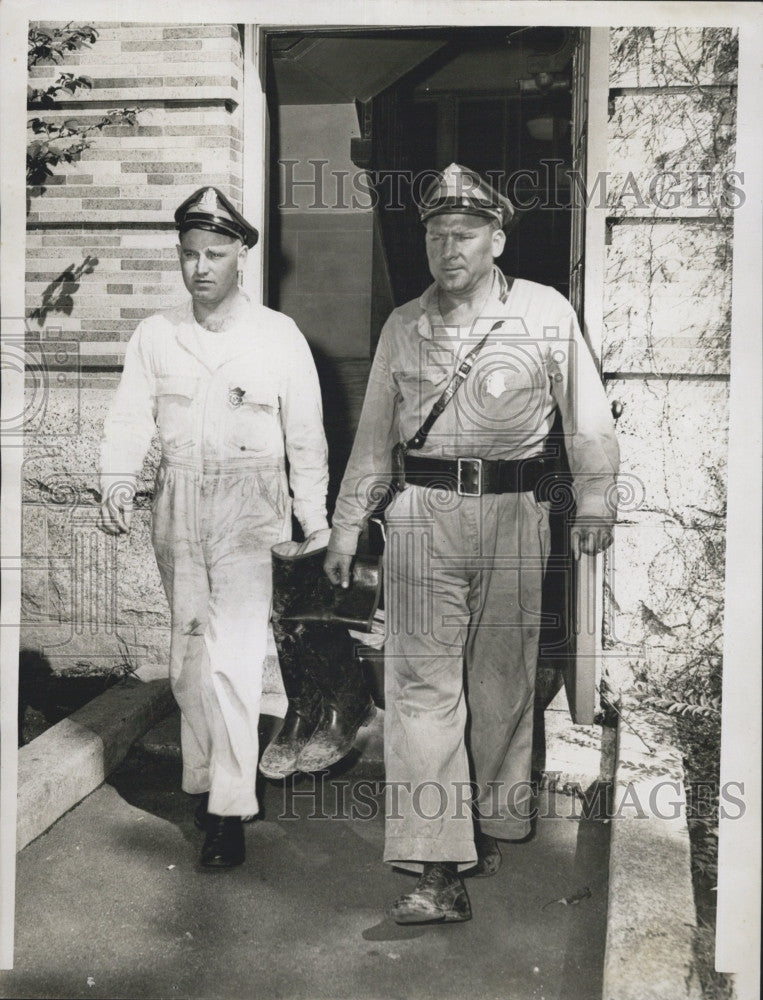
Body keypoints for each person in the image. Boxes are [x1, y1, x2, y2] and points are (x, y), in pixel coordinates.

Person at [324, 163, 619, 923]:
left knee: (501, 682)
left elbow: (584, 414)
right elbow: (372, 441)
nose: (447, 248)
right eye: (434, 235)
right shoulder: (402, 324)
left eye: (463, 234)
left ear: (496, 239)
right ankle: (436, 864)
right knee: (420, 691)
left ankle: (488, 822)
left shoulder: (544, 311)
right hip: (421, 515)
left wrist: (591, 499)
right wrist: (348, 524)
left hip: (516, 513)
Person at [98, 187, 330, 869]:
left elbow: (306, 438)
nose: (201, 267)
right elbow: (128, 417)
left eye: (215, 254)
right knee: (189, 655)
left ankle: (229, 809)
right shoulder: (156, 334)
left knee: (233, 658)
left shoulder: (276, 337)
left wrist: (313, 521)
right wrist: (116, 478)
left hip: (250, 507)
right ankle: (201, 780)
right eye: (190, 254)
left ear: (240, 257)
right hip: (178, 502)